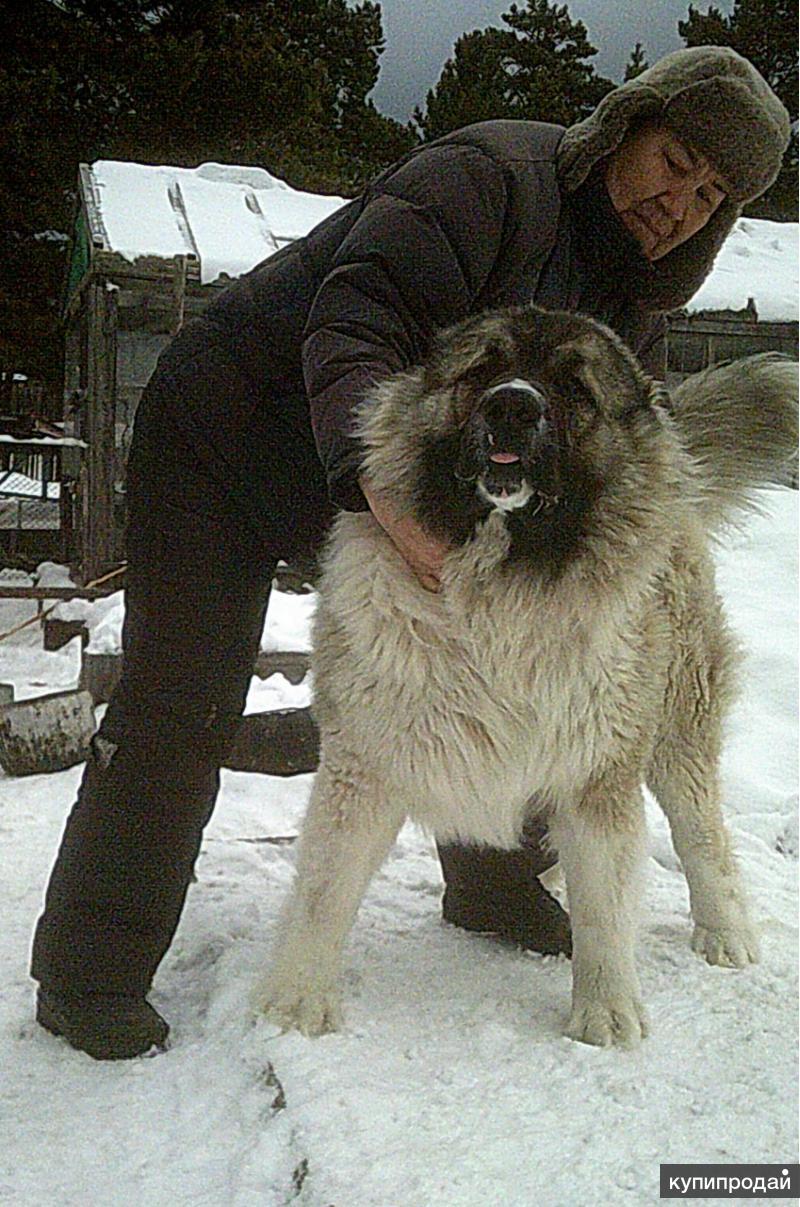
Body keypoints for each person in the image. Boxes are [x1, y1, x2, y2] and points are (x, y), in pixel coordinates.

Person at [31, 46, 789, 1059]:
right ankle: (90, 969)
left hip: (390, 475)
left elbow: (622, 443)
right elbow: (354, 324)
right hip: (231, 431)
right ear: (624, 128)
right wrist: (391, 506)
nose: (677, 204)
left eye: (709, 197)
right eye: (675, 162)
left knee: (509, 672)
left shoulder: (631, 296)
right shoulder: (485, 181)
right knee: (183, 701)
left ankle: (489, 886)